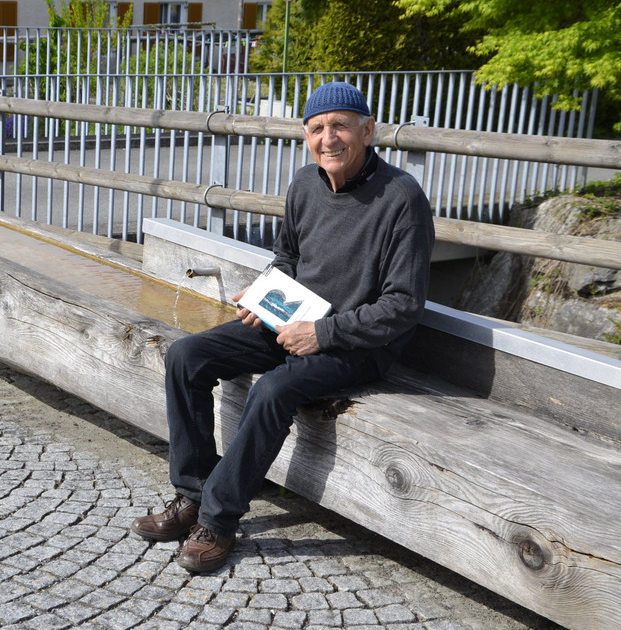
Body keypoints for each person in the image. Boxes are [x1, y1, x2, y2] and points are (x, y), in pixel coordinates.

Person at [130, 81, 436, 573]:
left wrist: (323, 334)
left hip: (359, 344)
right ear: (306, 136)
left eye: (340, 126)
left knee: (273, 389)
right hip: (294, 321)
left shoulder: (402, 198)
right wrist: (265, 297)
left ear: (368, 131)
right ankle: (192, 494)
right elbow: (288, 258)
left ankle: (218, 519)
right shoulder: (303, 184)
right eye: (317, 129)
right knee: (187, 356)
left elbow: (402, 306)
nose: (328, 139)